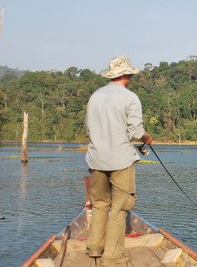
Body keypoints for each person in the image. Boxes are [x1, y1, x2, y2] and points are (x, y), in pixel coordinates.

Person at [85, 56, 152, 266]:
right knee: (120, 208)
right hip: (121, 160)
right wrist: (146, 138)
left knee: (99, 204)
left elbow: (88, 128)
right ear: (127, 75)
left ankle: (95, 248)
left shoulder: (95, 96)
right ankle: (112, 256)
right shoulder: (130, 97)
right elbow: (136, 130)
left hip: (96, 159)